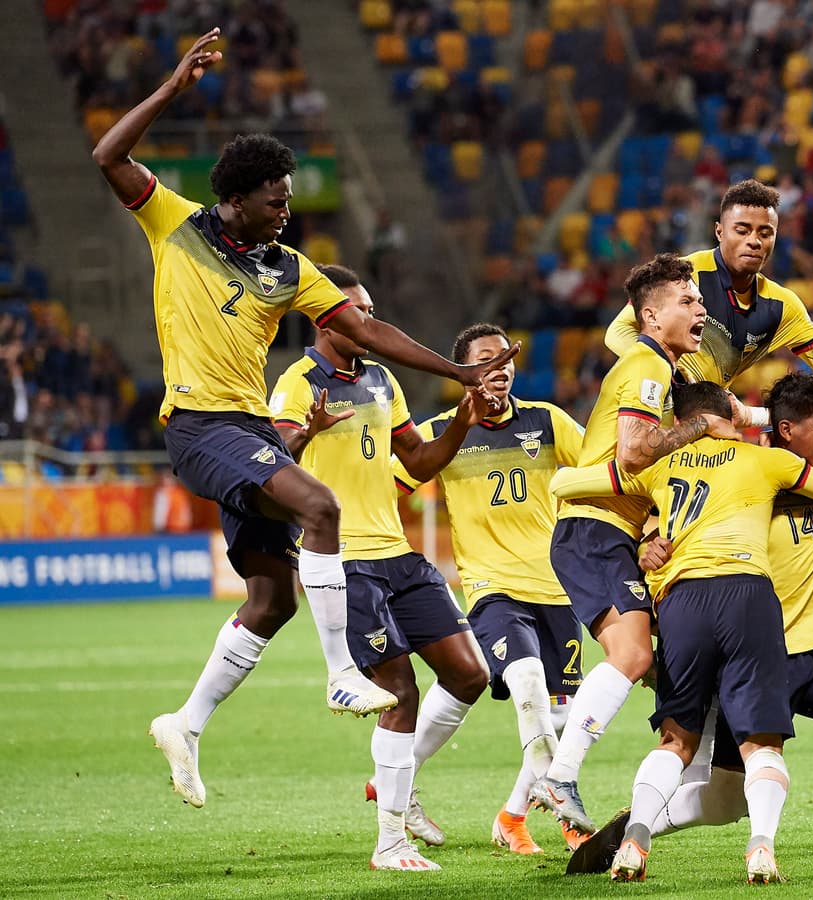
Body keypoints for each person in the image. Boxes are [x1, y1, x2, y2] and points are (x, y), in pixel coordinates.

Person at [92, 30, 516, 808]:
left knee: (272, 598)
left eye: (289, 200)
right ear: (237, 196)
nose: (286, 212)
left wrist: (453, 371)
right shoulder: (176, 225)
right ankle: (341, 675)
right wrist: (170, 90)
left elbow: (366, 329)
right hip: (197, 424)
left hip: (247, 429)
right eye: (276, 200)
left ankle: (185, 724)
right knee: (320, 507)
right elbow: (108, 160)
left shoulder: (289, 268)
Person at [566, 371, 813, 879]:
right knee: (726, 802)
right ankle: (638, 825)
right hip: (749, 655)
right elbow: (669, 533)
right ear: (788, 430)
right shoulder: (755, 474)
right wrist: (645, 543)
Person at [271, 265, 493, 871]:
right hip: (345, 564)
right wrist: (304, 433)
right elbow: (270, 465)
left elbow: (416, 460)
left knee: (471, 675)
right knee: (399, 693)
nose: (365, 321)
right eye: (356, 312)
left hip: (398, 555)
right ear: (325, 318)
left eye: (370, 310)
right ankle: (390, 841)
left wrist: (463, 423)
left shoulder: (380, 378)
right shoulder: (297, 382)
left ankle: (401, 781)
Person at [527, 254, 737, 834]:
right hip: (593, 528)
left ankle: (687, 774)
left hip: (615, 534)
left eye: (700, 300)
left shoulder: (668, 372)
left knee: (680, 655)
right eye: (688, 303)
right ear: (651, 315)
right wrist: (702, 427)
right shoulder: (646, 364)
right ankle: (561, 774)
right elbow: (634, 453)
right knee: (635, 655)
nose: (701, 310)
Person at [394, 322, 588, 856]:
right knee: (524, 679)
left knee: (562, 716)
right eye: (484, 359)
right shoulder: (439, 432)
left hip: (556, 590)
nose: (497, 366)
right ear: (464, 373)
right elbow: (387, 487)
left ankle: (512, 816)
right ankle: (566, 803)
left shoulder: (547, 421)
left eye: (504, 357)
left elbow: (601, 466)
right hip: (491, 588)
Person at [603, 178, 813, 424]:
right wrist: (674, 376)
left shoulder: (781, 306)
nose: (754, 240)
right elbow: (617, 333)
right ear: (719, 232)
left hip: (703, 421)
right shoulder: (685, 275)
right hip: (648, 407)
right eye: (742, 230)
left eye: (766, 233)